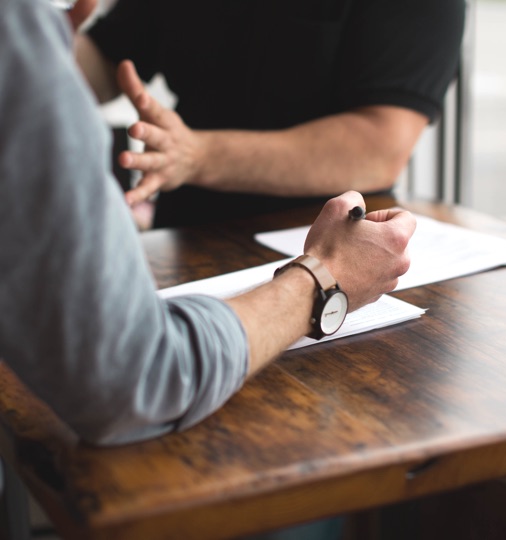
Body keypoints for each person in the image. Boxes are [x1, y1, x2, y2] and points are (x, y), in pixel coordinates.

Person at [0, 0, 416, 448]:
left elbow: (382, 145)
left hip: (343, 262)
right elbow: (138, 377)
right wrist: (323, 280)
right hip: (192, 264)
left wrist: (39, 50)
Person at [75, 0, 466, 228]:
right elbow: (109, 58)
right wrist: (44, 46)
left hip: (328, 243)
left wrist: (196, 155)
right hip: (187, 230)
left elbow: (379, 147)